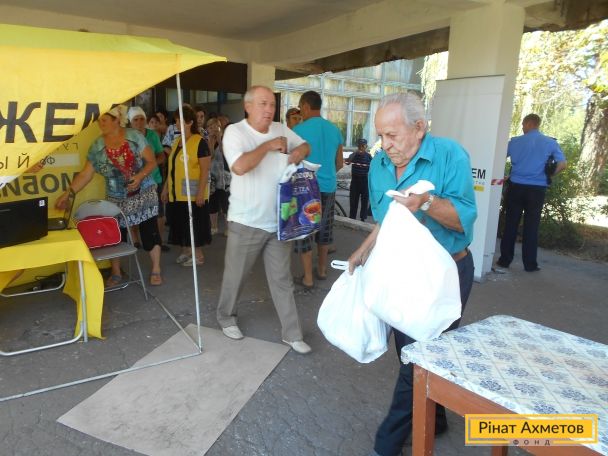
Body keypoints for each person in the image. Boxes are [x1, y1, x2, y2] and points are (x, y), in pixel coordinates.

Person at [347, 92, 476, 456]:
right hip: (402, 271)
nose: (384, 145)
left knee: (418, 357)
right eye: (380, 136)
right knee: (408, 351)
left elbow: (463, 220)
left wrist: (426, 203)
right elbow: (386, 220)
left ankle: (386, 443)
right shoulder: (379, 164)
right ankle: (436, 417)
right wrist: (362, 250)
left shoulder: (450, 155)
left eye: (392, 135)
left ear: (419, 128)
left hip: (445, 274)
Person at [216, 85, 312, 354]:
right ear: (247, 107)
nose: (269, 109)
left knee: (282, 280)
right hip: (245, 221)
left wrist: (299, 152)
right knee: (236, 276)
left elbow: (305, 145)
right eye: (263, 104)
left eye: (272, 104)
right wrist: (268, 146)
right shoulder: (235, 132)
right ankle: (226, 317)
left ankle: (292, 334)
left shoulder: (281, 128)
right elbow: (239, 166)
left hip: (279, 221)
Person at [56, 105, 163, 286]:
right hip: (116, 197)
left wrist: (139, 176)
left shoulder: (135, 137)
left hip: (143, 192)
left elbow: (152, 162)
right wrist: (68, 194)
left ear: (116, 120)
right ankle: (116, 272)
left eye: (104, 120)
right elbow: (85, 175)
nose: (101, 124)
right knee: (115, 234)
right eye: (99, 121)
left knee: (149, 231)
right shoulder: (97, 146)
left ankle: (156, 269)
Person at [497, 113, 566, 272]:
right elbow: (562, 164)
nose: (522, 127)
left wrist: (505, 175)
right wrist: (549, 175)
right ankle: (530, 265)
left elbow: (498, 158)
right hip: (537, 189)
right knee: (532, 226)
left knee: (511, 224)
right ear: (538, 124)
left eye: (523, 124)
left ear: (528, 124)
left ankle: (504, 260)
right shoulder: (550, 143)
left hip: (516, 187)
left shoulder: (514, 142)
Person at [292, 90, 343, 288]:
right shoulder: (334, 130)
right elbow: (339, 162)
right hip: (328, 187)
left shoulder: (298, 130)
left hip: (306, 189)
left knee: (305, 229)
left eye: (300, 107)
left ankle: (308, 277)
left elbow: (291, 161)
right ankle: (321, 270)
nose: (300, 111)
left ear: (306, 106)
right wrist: (327, 174)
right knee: (325, 228)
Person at [161, 104, 212, 267]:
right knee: (182, 224)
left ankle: (199, 256)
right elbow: (172, 168)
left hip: (193, 193)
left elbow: (205, 170)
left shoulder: (200, 142)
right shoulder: (177, 142)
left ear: (190, 122)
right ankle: (187, 251)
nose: (177, 124)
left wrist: (200, 193)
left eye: (180, 121)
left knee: (194, 225)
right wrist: (165, 188)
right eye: (176, 120)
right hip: (177, 193)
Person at [128, 106, 170, 252]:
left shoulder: (152, 135)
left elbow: (161, 156)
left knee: (158, 212)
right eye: (135, 119)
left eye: (142, 119)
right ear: (130, 122)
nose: (139, 122)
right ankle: (135, 240)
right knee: (134, 211)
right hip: (135, 181)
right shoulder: (127, 136)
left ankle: (158, 241)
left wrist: (150, 164)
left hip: (154, 179)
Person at [206, 117, 230, 236]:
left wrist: (220, 139)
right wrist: (211, 141)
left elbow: (225, 153)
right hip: (211, 177)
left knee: (226, 203)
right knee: (212, 203)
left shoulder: (227, 139)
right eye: (210, 127)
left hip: (224, 177)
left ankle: (228, 228)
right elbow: (209, 156)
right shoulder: (205, 141)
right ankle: (214, 227)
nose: (213, 129)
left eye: (216, 127)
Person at [345, 138, 371, 221]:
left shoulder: (368, 156)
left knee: (364, 200)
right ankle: (352, 217)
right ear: (358, 146)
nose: (361, 147)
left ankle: (363, 218)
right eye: (360, 146)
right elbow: (347, 162)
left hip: (365, 180)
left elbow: (373, 167)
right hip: (355, 181)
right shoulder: (354, 155)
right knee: (353, 200)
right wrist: (355, 153)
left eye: (363, 146)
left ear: (366, 146)